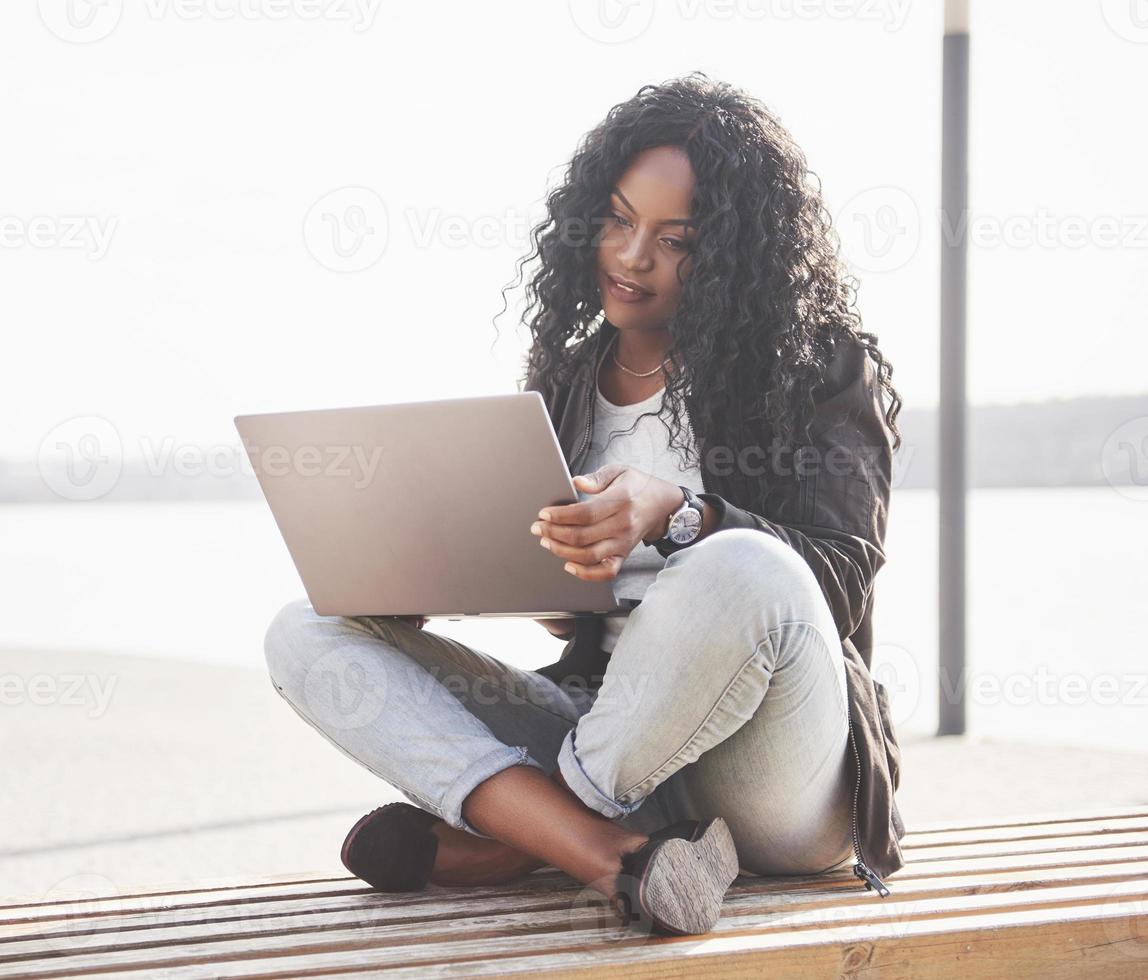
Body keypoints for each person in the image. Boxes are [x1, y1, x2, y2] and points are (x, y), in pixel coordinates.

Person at [262, 72, 906, 936]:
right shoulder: (567, 384)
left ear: (737, 255)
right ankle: (612, 854)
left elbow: (838, 578)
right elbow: (575, 623)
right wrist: (454, 572)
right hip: (614, 735)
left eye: (676, 239)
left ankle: (516, 841)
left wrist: (680, 511)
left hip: (775, 769)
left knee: (742, 565)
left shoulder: (822, 369)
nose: (632, 256)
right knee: (306, 630)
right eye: (616, 218)